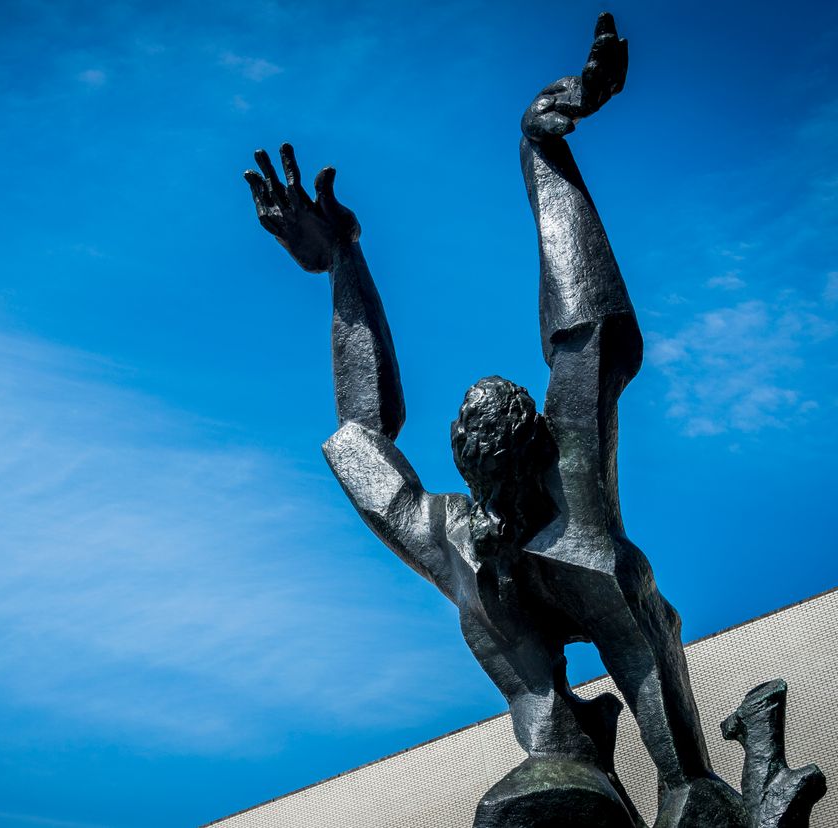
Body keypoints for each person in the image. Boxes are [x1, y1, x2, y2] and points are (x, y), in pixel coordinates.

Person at [243, 14, 745, 826]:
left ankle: (687, 781)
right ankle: (627, 771)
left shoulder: (519, 497)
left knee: (620, 609)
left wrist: (347, 263)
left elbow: (579, 329)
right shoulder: (485, 516)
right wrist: (345, 259)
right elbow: (585, 331)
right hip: (555, 763)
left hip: (617, 659)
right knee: (552, 767)